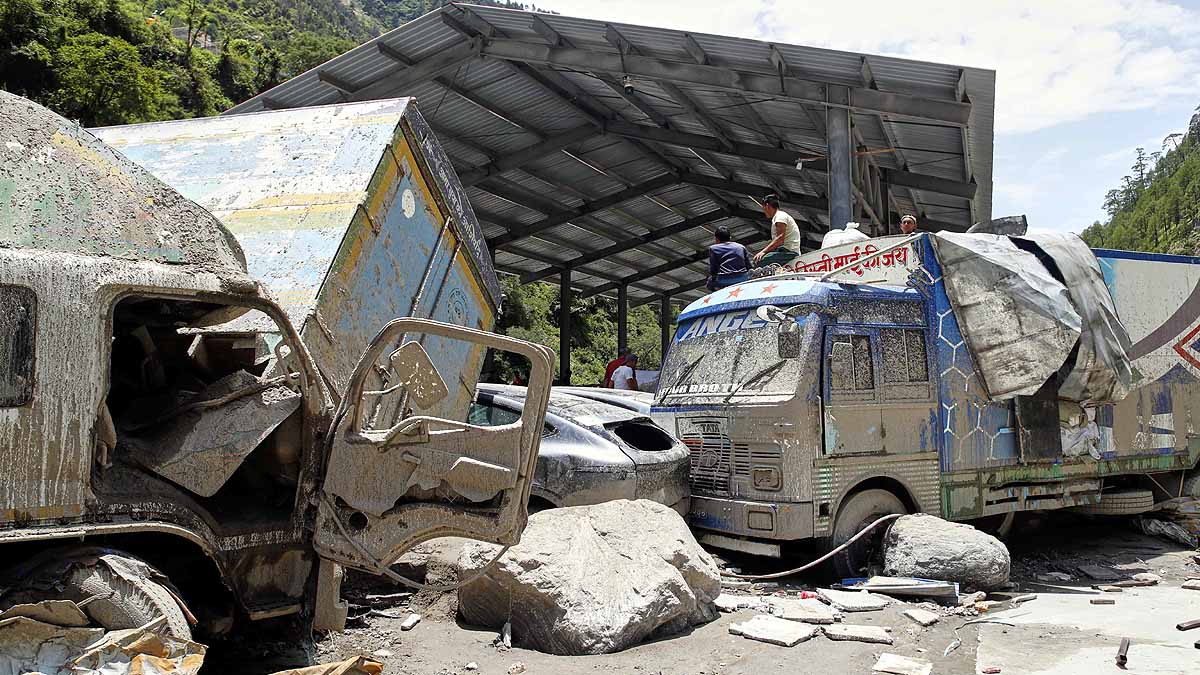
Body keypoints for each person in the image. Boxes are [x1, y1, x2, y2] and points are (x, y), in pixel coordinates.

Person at [752, 194, 803, 268]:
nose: (764, 211)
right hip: (783, 251)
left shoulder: (780, 216)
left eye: (763, 208)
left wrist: (763, 251)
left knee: (759, 261)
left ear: (767, 205)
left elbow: (780, 239)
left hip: (789, 252)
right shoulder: (778, 217)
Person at [707, 225, 751, 291]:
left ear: (716, 239)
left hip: (723, 280)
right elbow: (748, 266)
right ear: (730, 237)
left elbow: (714, 269)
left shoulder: (713, 249)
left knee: (709, 283)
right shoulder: (741, 247)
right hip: (743, 277)